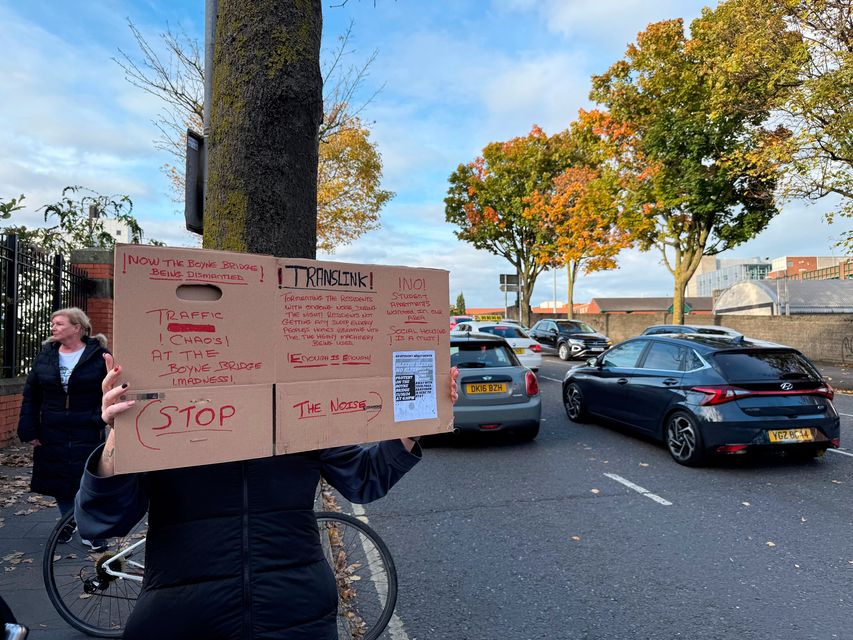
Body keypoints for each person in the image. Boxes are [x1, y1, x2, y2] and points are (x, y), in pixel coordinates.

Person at [75, 354, 459, 640]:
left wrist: (419, 418)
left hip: (296, 613)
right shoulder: (161, 416)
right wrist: (119, 438)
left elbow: (364, 480)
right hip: (186, 618)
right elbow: (104, 521)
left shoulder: (300, 413)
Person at [16, 307, 109, 549]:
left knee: (87, 480)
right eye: (52, 323)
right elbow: (31, 395)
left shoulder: (98, 355)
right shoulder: (46, 355)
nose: (53, 327)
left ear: (76, 327)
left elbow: (109, 389)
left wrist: (98, 418)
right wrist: (30, 430)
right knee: (59, 480)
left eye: (58, 323)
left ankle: (89, 528)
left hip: (87, 428)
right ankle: (68, 525)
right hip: (52, 429)